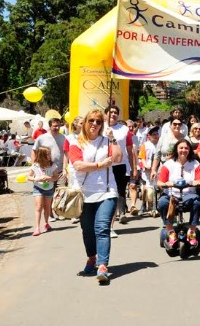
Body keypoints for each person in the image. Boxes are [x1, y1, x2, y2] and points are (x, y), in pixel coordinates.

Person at [68, 109, 122, 284]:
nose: (94, 124)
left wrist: (112, 138)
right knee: (87, 231)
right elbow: (78, 165)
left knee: (102, 228)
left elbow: (119, 157)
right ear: (85, 122)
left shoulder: (107, 141)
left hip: (107, 191)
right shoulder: (76, 143)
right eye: (91, 120)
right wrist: (100, 165)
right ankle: (92, 257)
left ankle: (102, 266)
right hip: (84, 194)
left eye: (98, 122)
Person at [157, 139, 200, 248]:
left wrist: (197, 182)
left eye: (186, 148)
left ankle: (192, 231)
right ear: (176, 150)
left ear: (190, 150)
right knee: (163, 202)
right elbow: (159, 183)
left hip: (189, 194)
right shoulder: (168, 164)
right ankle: (170, 231)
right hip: (172, 194)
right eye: (181, 148)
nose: (183, 150)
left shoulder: (195, 164)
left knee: (197, 203)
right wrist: (166, 184)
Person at [104, 106, 136, 226]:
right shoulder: (100, 127)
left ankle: (122, 212)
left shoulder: (124, 129)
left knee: (120, 190)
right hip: (105, 164)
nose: (113, 114)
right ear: (105, 114)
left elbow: (130, 149)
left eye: (116, 112)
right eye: (111, 112)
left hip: (121, 164)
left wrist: (133, 168)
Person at [32, 117, 67, 219]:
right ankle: (50, 213)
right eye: (54, 126)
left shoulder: (64, 138)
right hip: (46, 170)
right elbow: (34, 151)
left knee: (61, 190)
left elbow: (65, 153)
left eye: (58, 125)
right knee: (49, 192)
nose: (57, 127)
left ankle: (59, 211)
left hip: (59, 169)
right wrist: (34, 166)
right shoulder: (42, 138)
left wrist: (65, 167)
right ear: (50, 126)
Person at [27, 146, 60, 236]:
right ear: (41, 155)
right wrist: (36, 178)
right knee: (38, 206)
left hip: (49, 188)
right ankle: (37, 227)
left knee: (47, 207)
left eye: (49, 154)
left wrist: (49, 178)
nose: (49, 156)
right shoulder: (36, 165)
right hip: (38, 188)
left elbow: (56, 177)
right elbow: (29, 177)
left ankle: (46, 223)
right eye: (47, 154)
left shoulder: (53, 165)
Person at [137, 127, 160, 216]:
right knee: (145, 189)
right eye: (153, 135)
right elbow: (142, 157)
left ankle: (154, 207)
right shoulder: (145, 145)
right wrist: (145, 165)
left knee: (155, 188)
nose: (155, 136)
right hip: (147, 171)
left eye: (157, 134)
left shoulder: (160, 145)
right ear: (149, 136)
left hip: (157, 170)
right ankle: (143, 205)